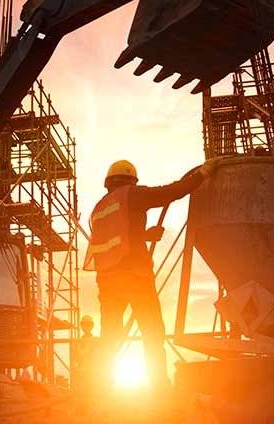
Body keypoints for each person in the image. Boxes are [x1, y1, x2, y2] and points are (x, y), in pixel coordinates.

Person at [83, 158, 219, 388]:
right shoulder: (132, 195)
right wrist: (204, 173)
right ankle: (159, 386)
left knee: (110, 335)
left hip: (107, 280)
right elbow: (173, 191)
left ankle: (99, 385)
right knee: (152, 331)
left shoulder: (99, 208)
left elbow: (115, 238)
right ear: (131, 181)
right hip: (134, 276)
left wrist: (144, 236)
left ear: (109, 183)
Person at [73, 314, 100, 391]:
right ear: (81, 326)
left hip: (92, 372)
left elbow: (98, 357)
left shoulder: (95, 341)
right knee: (81, 394)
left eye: (88, 325)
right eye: (84, 325)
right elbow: (75, 357)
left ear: (92, 326)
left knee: (91, 393)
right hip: (81, 373)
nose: (86, 327)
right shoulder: (78, 342)